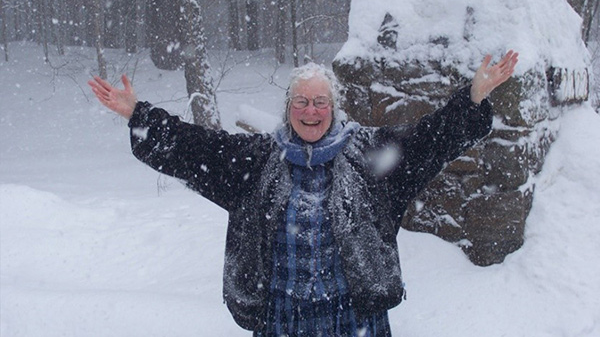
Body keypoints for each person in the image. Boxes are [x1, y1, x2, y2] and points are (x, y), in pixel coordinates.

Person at [88, 50, 519, 336]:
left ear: (333, 108)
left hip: (354, 321)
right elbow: (195, 147)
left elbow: (432, 139)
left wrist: (474, 97)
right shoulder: (256, 161)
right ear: (288, 107)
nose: (310, 111)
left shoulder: (371, 156)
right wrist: (138, 114)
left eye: (320, 102)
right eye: (301, 101)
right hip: (280, 321)